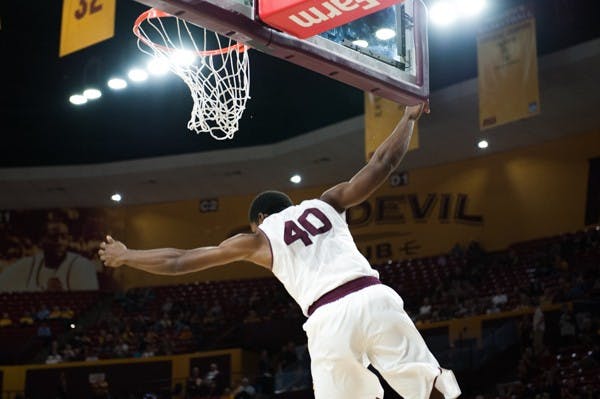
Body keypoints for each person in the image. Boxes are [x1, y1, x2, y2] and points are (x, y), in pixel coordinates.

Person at [99, 104, 461, 399]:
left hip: (327, 319)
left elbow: (179, 261)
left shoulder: (258, 238)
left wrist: (128, 255)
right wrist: (407, 117)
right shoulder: (329, 203)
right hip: (373, 295)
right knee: (430, 385)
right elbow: (382, 164)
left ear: (259, 218)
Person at [0, 217, 98, 291]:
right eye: (53, 237)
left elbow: (89, 301)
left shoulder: (82, 265)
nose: (59, 242)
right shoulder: (29, 264)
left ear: (69, 240)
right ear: (42, 240)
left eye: (63, 237)